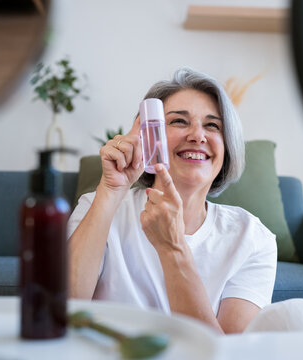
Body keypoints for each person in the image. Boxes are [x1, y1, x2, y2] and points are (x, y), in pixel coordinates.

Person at [67, 68, 277, 334]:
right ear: (147, 135)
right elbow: (62, 308)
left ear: (228, 146)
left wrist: (172, 247)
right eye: (179, 121)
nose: (198, 136)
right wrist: (110, 191)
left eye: (212, 125)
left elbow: (228, 351)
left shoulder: (253, 238)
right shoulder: (97, 206)